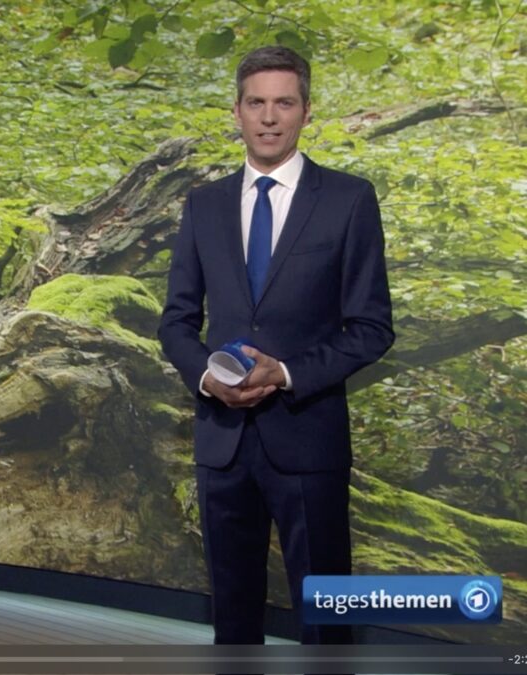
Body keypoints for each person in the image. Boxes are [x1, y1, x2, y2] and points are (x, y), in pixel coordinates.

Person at [157, 46, 394, 645]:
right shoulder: (203, 205)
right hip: (223, 443)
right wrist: (208, 379)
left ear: (305, 112)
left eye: (283, 103)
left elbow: (371, 327)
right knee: (233, 620)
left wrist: (285, 373)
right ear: (235, 112)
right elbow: (176, 322)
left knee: (325, 621)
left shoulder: (348, 200)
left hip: (307, 437)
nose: (268, 117)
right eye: (256, 103)